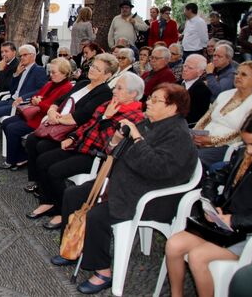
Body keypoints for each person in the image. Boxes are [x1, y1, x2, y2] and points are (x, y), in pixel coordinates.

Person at [51, 83, 198, 294]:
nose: (148, 102)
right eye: (151, 98)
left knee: (97, 215)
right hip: (123, 180)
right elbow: (111, 151)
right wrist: (117, 139)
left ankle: (102, 271)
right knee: (73, 194)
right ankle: (72, 245)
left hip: (150, 194)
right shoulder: (149, 123)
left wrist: (136, 137)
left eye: (155, 100)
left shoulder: (178, 135)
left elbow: (156, 169)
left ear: (172, 107)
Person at [27, 73, 145, 231]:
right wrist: (72, 136)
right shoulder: (110, 103)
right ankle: (48, 201)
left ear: (133, 94)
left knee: (55, 171)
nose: (114, 91)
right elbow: (89, 124)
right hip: (82, 146)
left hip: (96, 155)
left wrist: (106, 117)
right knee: (42, 160)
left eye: (119, 88)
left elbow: (108, 143)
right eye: (115, 87)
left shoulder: (133, 116)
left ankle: (63, 211)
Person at [165, 112, 252, 297]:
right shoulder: (242, 154)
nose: (250, 150)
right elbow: (214, 177)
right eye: (247, 144)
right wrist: (211, 203)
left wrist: (235, 220)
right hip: (224, 228)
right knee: (174, 245)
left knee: (198, 257)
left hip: (247, 236)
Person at [24, 54, 117, 195]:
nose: (92, 69)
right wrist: (52, 111)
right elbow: (59, 101)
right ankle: (38, 181)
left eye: (97, 69)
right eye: (92, 66)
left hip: (73, 130)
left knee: (42, 146)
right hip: (57, 122)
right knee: (31, 140)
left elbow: (83, 115)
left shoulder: (104, 93)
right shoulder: (83, 83)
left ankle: (47, 189)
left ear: (107, 75)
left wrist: (58, 119)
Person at [0, 58, 74, 171]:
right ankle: (21, 156)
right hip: (33, 114)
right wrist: (35, 99)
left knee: (12, 129)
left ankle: (12, 160)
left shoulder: (67, 88)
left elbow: (57, 109)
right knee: (6, 123)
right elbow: (38, 95)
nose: (51, 75)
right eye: (50, 72)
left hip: (43, 119)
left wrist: (40, 102)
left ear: (64, 73)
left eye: (54, 72)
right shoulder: (50, 83)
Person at [193, 61, 252, 169]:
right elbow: (206, 117)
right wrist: (195, 133)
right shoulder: (225, 94)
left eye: (243, 74)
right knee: (175, 148)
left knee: (191, 159)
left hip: (227, 147)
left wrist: (211, 140)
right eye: (236, 73)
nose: (238, 77)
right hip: (202, 139)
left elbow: (241, 134)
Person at [182, 54, 212, 124]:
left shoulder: (203, 91)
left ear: (200, 72)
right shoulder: (174, 84)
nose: (185, 69)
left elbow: (194, 118)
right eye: (185, 66)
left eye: (190, 68)